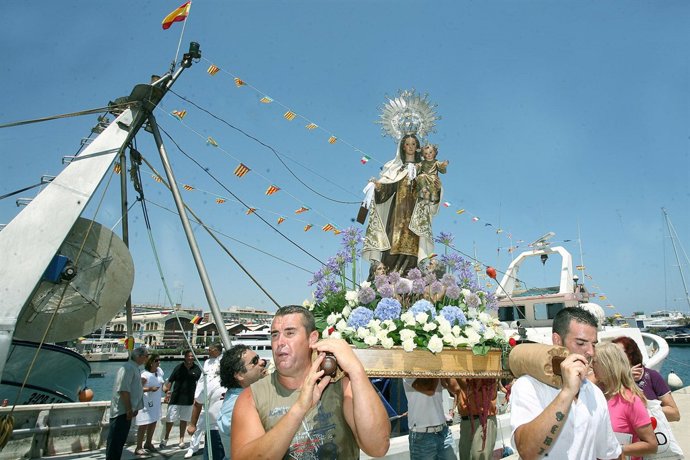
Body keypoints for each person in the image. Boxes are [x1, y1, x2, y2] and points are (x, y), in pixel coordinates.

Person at [231, 305, 391, 460]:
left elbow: (378, 447)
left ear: (312, 338)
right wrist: (300, 408)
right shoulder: (251, 398)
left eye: (289, 333)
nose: (279, 342)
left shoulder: (340, 385)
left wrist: (356, 370)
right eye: (275, 335)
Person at [509, 307, 622, 459]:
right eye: (581, 343)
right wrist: (567, 392)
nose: (591, 352)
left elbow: (609, 453)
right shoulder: (528, 386)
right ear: (557, 340)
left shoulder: (594, 393)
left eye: (593, 344)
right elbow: (527, 452)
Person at [363, 133, 438, 274]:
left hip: (414, 213)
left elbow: (432, 186)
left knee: (413, 244)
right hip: (396, 213)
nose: (411, 147)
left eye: (414, 144)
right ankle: (389, 275)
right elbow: (388, 189)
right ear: (403, 146)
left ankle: (411, 276)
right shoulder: (396, 168)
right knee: (392, 241)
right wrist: (378, 186)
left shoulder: (422, 168)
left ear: (417, 147)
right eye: (408, 144)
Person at [590, 342, 657, 460]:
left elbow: (651, 445)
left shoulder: (631, 400)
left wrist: (616, 449)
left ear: (607, 365)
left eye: (594, 361)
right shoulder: (596, 396)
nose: (591, 365)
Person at [216, 344, 269, 458]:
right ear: (239, 375)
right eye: (254, 361)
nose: (262, 362)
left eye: (259, 357)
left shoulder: (247, 395)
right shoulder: (236, 407)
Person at [612, 335, 681, 422]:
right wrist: (627, 378)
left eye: (617, 354)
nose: (612, 358)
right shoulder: (611, 381)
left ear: (630, 355)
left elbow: (675, 414)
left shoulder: (651, 376)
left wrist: (647, 408)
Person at [106, 346, 148, 460]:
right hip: (121, 412)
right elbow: (124, 390)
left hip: (127, 412)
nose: (147, 359)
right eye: (146, 356)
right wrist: (129, 409)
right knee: (115, 442)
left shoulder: (134, 368)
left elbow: (131, 387)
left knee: (119, 442)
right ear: (139, 356)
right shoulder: (128, 368)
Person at [185, 343, 224, 459]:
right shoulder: (207, 363)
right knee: (198, 426)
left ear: (217, 350)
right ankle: (193, 447)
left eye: (210, 350)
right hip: (206, 403)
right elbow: (202, 383)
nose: (208, 352)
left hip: (222, 422)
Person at [402, 378, 455, 460]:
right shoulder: (408, 374)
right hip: (421, 435)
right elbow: (430, 390)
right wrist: (438, 372)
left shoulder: (435, 374)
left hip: (443, 431)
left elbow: (456, 389)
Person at [162, 349, 202, 449]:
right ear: (185, 357)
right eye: (189, 356)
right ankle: (165, 439)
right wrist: (167, 392)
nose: (190, 358)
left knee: (184, 420)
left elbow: (200, 384)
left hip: (188, 400)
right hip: (175, 398)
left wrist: (197, 397)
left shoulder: (197, 369)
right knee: (170, 419)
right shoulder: (178, 367)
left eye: (192, 356)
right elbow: (170, 381)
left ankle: (181, 439)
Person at [455, 378, 498, 460]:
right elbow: (454, 387)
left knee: (479, 456)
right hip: (466, 419)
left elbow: (463, 387)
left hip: (484, 417)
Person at [134, 353, 164, 456]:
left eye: (159, 360)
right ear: (150, 363)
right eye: (156, 361)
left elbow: (162, 385)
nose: (158, 362)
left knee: (153, 422)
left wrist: (167, 391)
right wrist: (150, 389)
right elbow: (138, 389)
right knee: (144, 424)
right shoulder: (144, 375)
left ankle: (148, 443)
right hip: (146, 403)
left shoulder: (159, 372)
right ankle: (138, 447)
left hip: (156, 402)